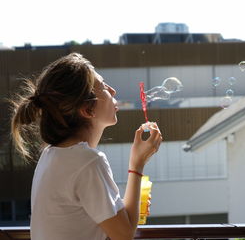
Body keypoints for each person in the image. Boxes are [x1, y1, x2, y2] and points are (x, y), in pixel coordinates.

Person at [10, 52, 162, 240]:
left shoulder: (52, 154)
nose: (113, 90)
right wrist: (137, 164)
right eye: (103, 87)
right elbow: (123, 234)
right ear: (87, 109)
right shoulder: (88, 161)